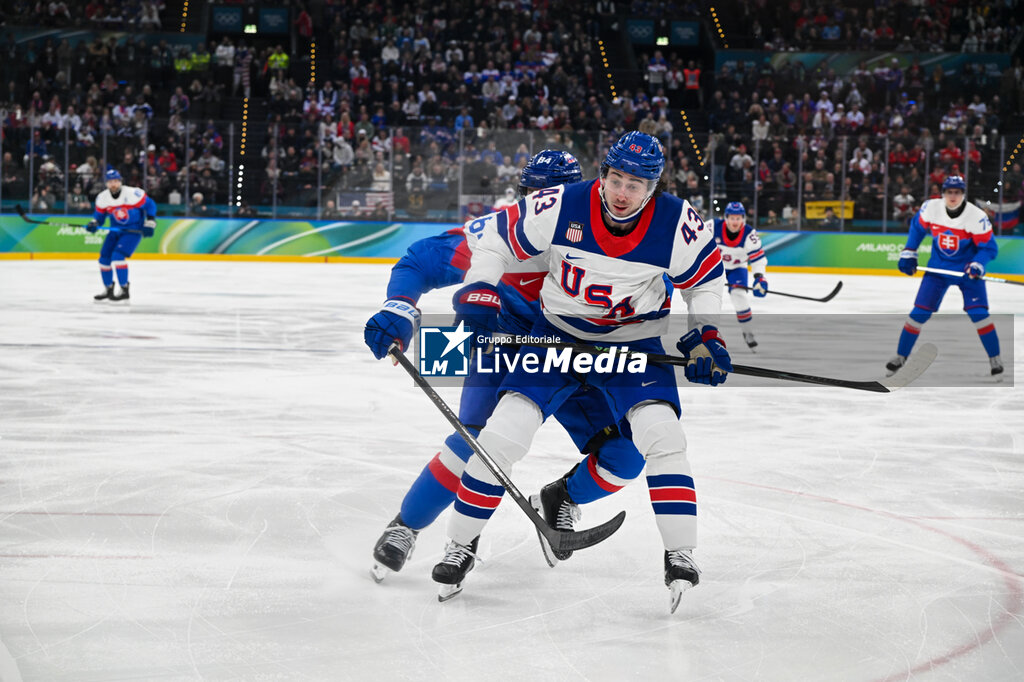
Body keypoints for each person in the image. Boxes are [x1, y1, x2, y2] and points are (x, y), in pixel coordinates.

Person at [433, 131, 729, 611]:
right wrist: (480, 287)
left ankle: (680, 552)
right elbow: (494, 239)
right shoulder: (561, 203)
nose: (621, 192)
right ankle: (460, 545)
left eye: (635, 184)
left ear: (654, 185)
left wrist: (708, 334)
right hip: (556, 335)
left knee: (662, 435)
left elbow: (707, 278)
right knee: (503, 433)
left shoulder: (678, 223)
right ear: (603, 173)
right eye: (615, 178)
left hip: (634, 343)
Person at [366, 150, 649, 583]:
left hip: (570, 361)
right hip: (503, 352)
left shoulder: (606, 235)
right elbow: (421, 261)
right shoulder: (499, 232)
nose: (545, 208)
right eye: (537, 197)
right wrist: (400, 307)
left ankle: (559, 498)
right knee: (473, 445)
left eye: (557, 197)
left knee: (624, 458)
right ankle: (406, 526)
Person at [888, 175, 1002, 377]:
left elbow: (989, 248)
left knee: (980, 315)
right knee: (918, 314)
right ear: (943, 194)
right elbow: (917, 228)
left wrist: (978, 263)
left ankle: (995, 360)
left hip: (967, 272)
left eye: (957, 192)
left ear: (963, 194)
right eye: (949, 192)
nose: (953, 196)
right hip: (938, 270)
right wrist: (909, 252)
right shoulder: (931, 208)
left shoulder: (976, 216)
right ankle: (901, 356)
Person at [86, 169, 156, 302]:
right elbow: (99, 216)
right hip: (115, 230)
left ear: (120, 181)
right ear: (106, 183)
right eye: (110, 182)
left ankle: (124, 289)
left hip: (132, 231)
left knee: (117, 256)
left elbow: (150, 205)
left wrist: (150, 221)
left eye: (116, 181)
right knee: (104, 259)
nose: (113, 184)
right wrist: (94, 223)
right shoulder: (102, 198)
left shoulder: (133, 193)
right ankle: (108, 288)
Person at [713, 202, 767, 350]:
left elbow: (758, 260)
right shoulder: (712, 226)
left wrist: (760, 278)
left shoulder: (750, 235)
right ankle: (704, 332)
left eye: (738, 218)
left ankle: (747, 332)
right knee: (707, 297)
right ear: (726, 218)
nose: (735, 222)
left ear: (743, 219)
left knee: (740, 297)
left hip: (737, 268)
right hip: (714, 267)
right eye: (732, 218)